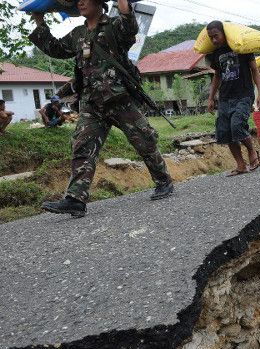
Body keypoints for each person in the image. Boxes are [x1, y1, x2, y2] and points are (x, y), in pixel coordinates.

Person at [29, 0, 174, 218]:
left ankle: (163, 180)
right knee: (82, 146)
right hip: (91, 103)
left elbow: (130, 26)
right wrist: (40, 21)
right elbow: (55, 48)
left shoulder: (114, 26)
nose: (80, 2)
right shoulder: (78, 34)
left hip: (119, 99)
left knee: (144, 140)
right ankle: (76, 199)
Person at [206, 20, 260, 176]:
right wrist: (211, 98)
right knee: (225, 131)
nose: (213, 40)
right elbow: (217, 76)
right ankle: (240, 165)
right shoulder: (215, 54)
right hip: (225, 97)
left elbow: (254, 70)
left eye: (216, 36)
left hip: (244, 94)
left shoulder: (241, 47)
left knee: (237, 125)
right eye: (210, 37)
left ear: (224, 34)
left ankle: (252, 151)